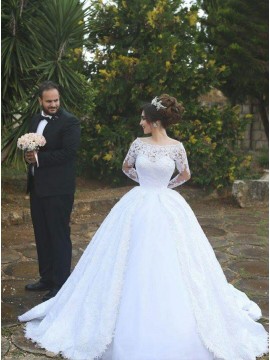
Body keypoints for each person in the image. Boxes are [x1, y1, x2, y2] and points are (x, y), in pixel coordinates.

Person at [19, 94, 268, 359]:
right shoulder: (138, 144)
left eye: (143, 119)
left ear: (155, 122)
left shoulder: (177, 147)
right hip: (138, 202)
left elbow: (185, 174)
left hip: (165, 204)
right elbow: (127, 167)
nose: (140, 123)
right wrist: (146, 183)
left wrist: (164, 188)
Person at [24, 80, 81, 302]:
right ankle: (46, 278)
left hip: (59, 189)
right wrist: (28, 156)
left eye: (56, 100)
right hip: (37, 187)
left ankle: (61, 283)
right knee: (41, 234)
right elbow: (30, 149)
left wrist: (39, 158)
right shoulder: (35, 119)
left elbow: (69, 153)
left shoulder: (70, 122)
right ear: (41, 101)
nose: (53, 104)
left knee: (58, 235)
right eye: (49, 101)